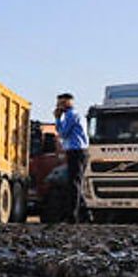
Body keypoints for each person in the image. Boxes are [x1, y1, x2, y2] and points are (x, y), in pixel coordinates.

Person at [54, 92, 89, 223]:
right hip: (79, 151)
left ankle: (72, 217)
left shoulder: (70, 115)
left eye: (61, 103)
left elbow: (63, 133)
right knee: (76, 183)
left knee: (74, 184)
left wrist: (57, 119)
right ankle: (86, 214)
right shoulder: (77, 115)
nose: (59, 106)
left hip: (76, 151)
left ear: (69, 102)